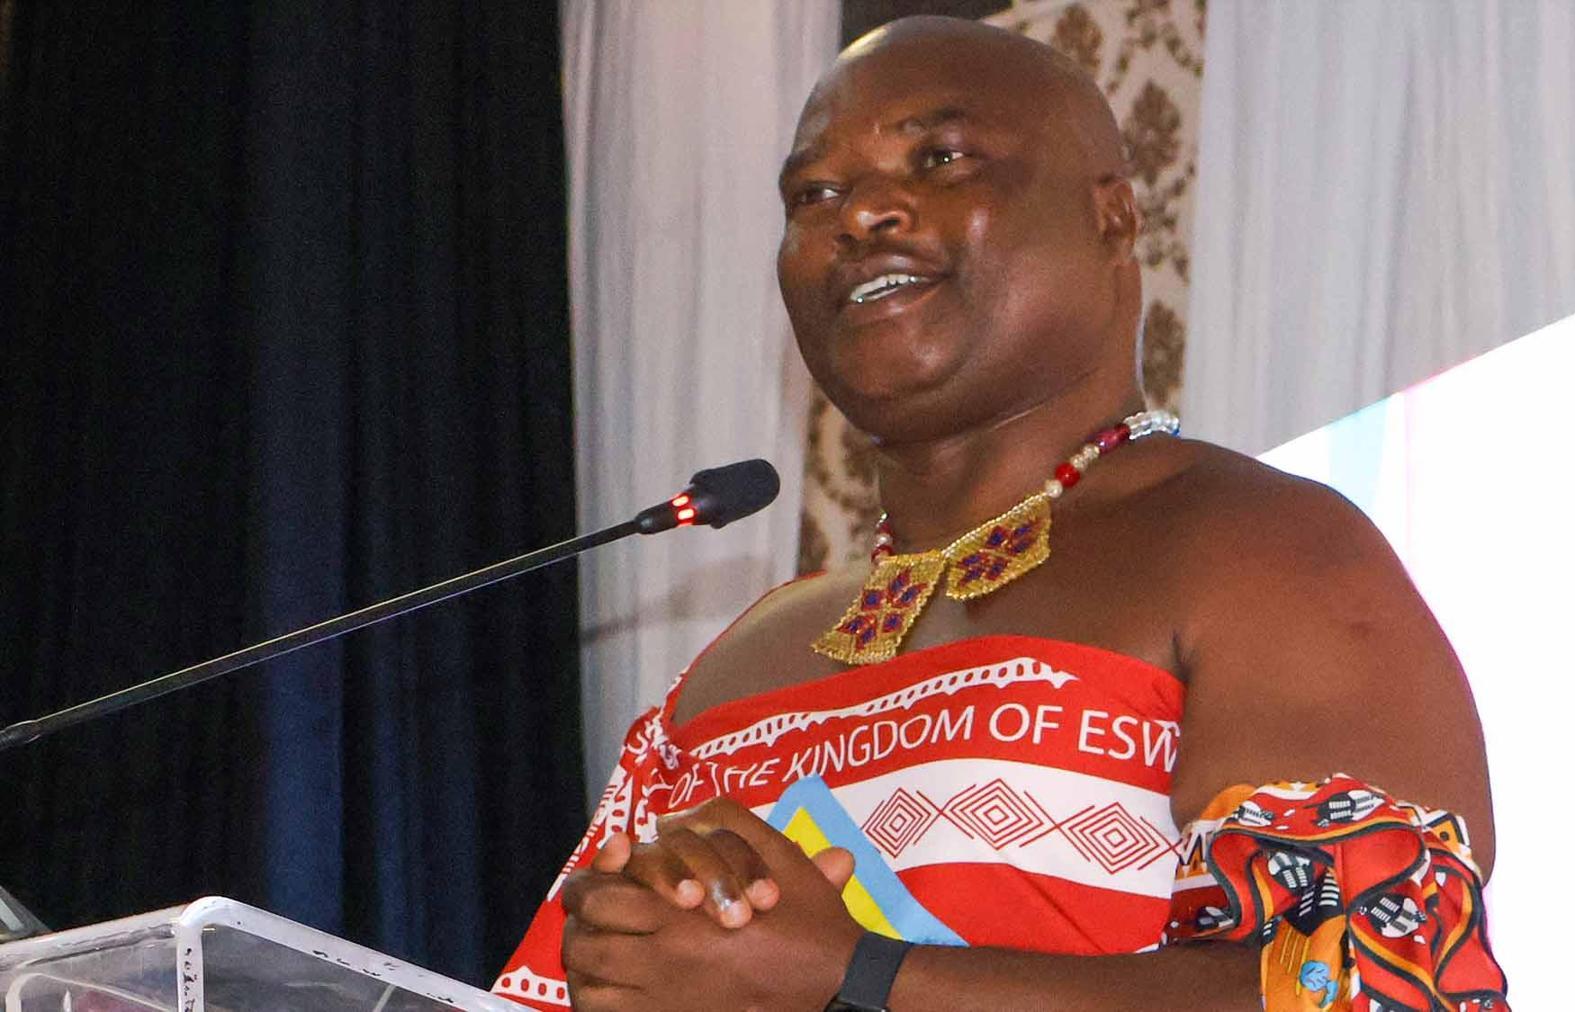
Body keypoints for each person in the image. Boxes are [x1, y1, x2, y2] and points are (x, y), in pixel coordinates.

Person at [495, 16, 1506, 1012]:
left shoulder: (1261, 552)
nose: (860, 214)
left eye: (940, 158)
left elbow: (1371, 983)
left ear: (1112, 216)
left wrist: (855, 976)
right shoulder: (734, 669)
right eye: (814, 194)